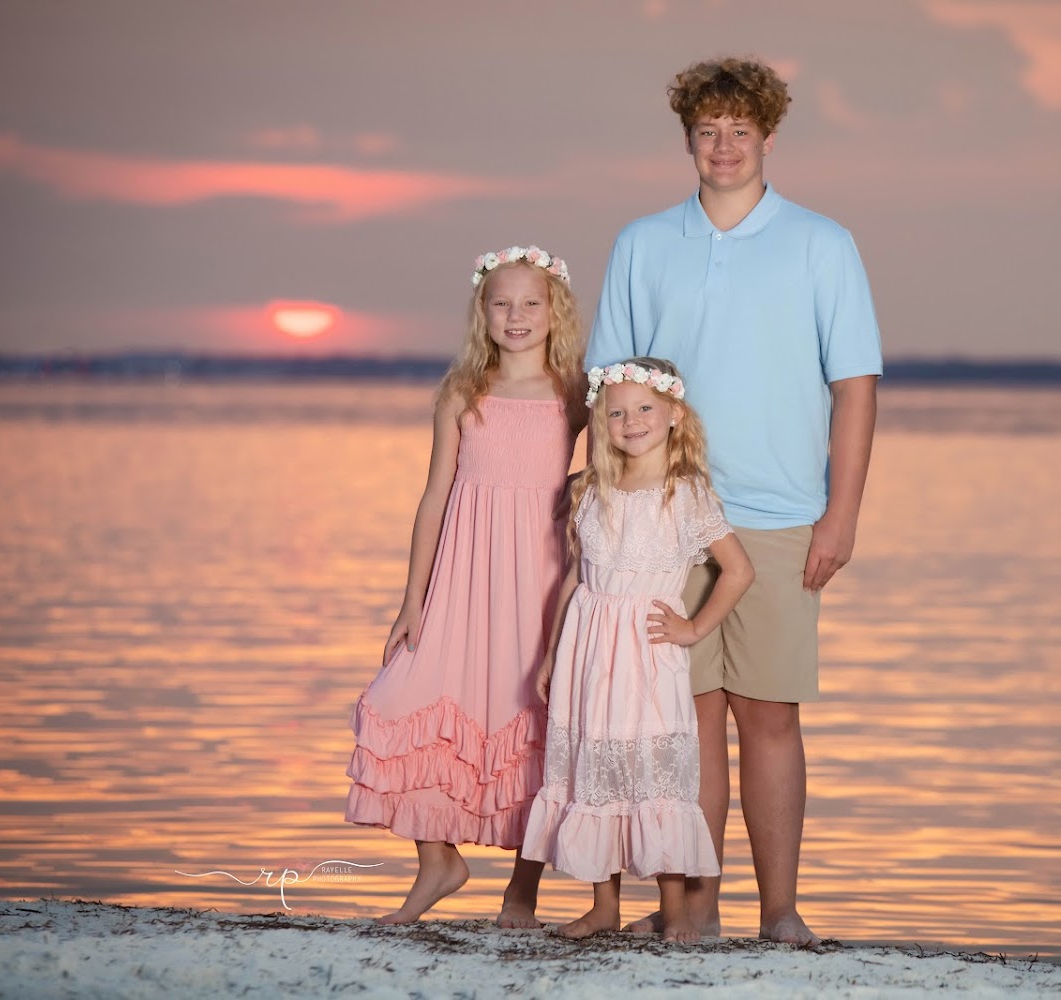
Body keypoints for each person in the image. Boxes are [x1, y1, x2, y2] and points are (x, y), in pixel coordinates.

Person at [585, 57, 882, 946]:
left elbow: (855, 386)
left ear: (767, 137)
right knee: (686, 724)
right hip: (660, 517)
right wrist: (598, 512)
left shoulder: (822, 244)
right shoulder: (643, 243)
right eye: (708, 130)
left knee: (771, 716)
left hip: (782, 513)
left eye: (739, 131)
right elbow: (605, 389)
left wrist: (841, 514)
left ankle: (781, 912)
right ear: (688, 137)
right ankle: (696, 910)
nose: (723, 146)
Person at [345, 245, 587, 926]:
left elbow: (604, 482)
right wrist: (411, 600)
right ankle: (439, 863)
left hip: (541, 576)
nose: (516, 315)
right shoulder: (462, 392)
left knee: (534, 717)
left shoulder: (575, 393)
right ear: (482, 312)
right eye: (501, 303)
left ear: (555, 311)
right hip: (462, 575)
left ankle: (522, 891)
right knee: (402, 693)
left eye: (531, 303)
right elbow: (433, 498)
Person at [522, 358, 755, 944]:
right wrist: (551, 654)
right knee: (595, 767)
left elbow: (739, 570)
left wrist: (693, 628)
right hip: (588, 651)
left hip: (648, 655)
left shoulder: (687, 494)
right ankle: (603, 905)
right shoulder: (591, 490)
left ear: (674, 414)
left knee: (653, 773)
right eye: (617, 412)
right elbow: (575, 577)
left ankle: (676, 912)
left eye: (645, 408)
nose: (631, 422)